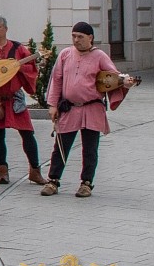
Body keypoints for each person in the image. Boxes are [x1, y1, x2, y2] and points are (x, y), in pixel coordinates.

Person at [41, 21, 136, 198]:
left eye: (80, 37)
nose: (76, 40)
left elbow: (114, 77)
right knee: (61, 145)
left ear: (90, 38)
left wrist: (126, 83)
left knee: (90, 149)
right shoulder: (65, 54)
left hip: (92, 108)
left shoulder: (100, 56)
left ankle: (86, 183)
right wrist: (53, 105)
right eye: (74, 36)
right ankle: (53, 180)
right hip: (69, 108)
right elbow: (56, 80)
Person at [0, 15, 44, 185]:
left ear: (5, 29)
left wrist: (18, 67)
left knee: (28, 133)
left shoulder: (19, 49)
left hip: (14, 98)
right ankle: (3, 171)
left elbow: (31, 68)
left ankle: (35, 171)